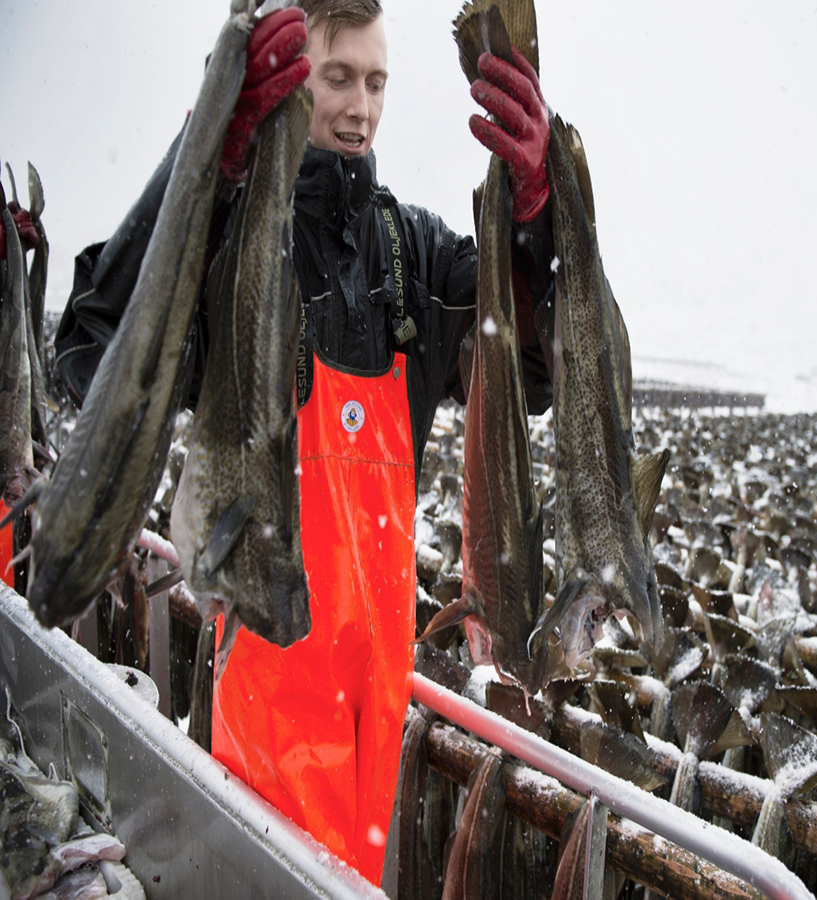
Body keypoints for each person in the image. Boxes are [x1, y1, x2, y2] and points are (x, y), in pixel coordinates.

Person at [53, 0, 555, 884]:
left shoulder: (419, 259)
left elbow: (535, 378)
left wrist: (538, 220)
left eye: (376, 81)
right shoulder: (238, 244)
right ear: (293, 84)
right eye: (337, 79)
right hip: (262, 725)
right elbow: (92, 350)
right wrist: (209, 150)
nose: (361, 107)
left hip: (374, 721)